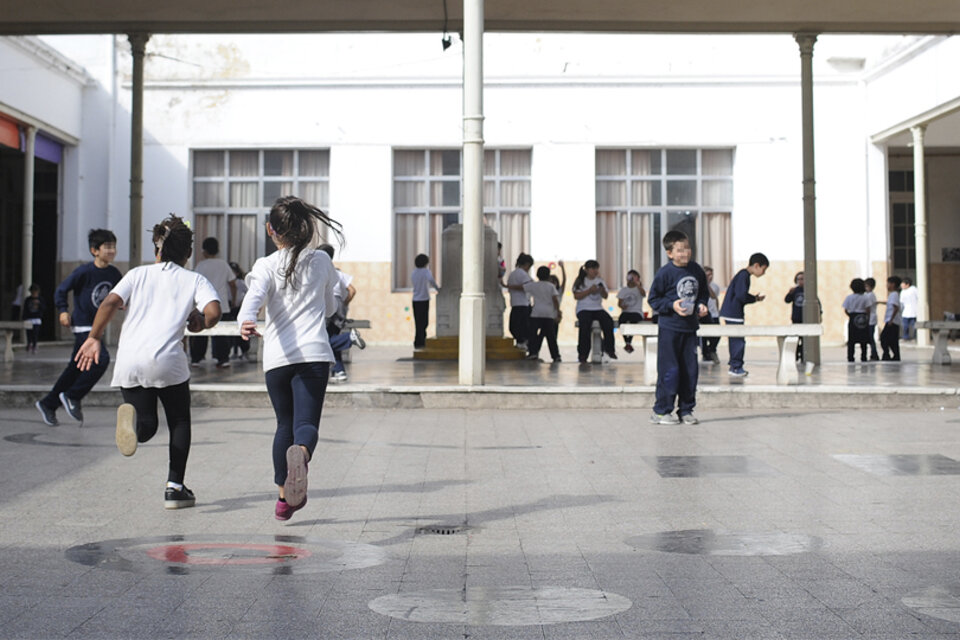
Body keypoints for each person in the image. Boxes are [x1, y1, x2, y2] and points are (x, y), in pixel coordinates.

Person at [74, 214, 221, 509]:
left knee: (146, 424)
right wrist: (199, 323)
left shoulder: (136, 274)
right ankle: (174, 488)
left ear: (156, 249)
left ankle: (136, 427)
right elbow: (214, 311)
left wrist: (93, 338)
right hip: (168, 361)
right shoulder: (194, 279)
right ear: (188, 253)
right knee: (179, 420)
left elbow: (109, 303)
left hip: (130, 360)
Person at [237, 196, 343, 521]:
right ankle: (303, 454)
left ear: (271, 230)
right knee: (305, 424)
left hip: (277, 357)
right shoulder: (322, 262)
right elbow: (330, 308)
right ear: (307, 228)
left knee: (283, 423)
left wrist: (247, 319)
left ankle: (284, 498)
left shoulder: (264, 265)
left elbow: (253, 297)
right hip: (314, 355)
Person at [35, 229, 122, 427]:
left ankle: (48, 404)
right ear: (94, 250)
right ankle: (73, 396)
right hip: (83, 326)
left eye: (113, 247)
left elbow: (120, 295)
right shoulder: (84, 272)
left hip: (97, 326)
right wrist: (63, 311)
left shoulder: (114, 273)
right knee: (101, 361)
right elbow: (61, 290)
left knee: (75, 368)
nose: (111, 251)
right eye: (107, 247)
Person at [647, 230, 709, 425]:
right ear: (670, 253)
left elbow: (703, 294)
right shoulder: (664, 273)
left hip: (690, 329)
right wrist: (671, 305)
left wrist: (701, 305)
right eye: (680, 250)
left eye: (688, 248)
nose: (685, 253)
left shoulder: (697, 270)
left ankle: (686, 410)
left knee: (690, 371)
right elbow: (654, 299)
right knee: (670, 370)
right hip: (670, 329)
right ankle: (661, 411)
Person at [719, 252, 768, 377]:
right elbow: (741, 295)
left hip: (731, 312)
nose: (764, 273)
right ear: (756, 265)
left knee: (736, 340)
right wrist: (754, 299)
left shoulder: (743, 275)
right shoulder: (744, 275)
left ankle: (735, 365)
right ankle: (736, 366)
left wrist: (754, 298)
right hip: (733, 313)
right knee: (738, 340)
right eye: (764, 269)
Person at [190, 237, 236, 368]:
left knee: (200, 333)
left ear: (204, 251)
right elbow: (232, 283)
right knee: (222, 334)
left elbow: (194, 286)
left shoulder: (200, 265)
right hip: (222, 305)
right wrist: (233, 299)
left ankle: (196, 358)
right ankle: (223, 359)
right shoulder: (223, 264)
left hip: (203, 305)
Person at [319, 244, 358, 383]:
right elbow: (352, 290)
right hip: (339, 305)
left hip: (326, 305)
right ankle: (339, 370)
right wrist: (345, 303)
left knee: (324, 341)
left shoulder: (321, 270)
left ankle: (349, 338)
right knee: (332, 337)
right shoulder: (337, 272)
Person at [573, 259, 616, 364]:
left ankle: (609, 349)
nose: (595, 271)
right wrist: (589, 291)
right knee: (585, 325)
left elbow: (605, 296)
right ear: (587, 270)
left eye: (596, 268)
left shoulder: (600, 281)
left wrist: (601, 291)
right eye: (593, 268)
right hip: (584, 308)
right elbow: (576, 296)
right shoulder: (581, 281)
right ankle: (583, 353)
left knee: (608, 322)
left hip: (597, 308)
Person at [523, 265, 561, 362]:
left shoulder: (533, 285)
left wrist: (506, 285)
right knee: (551, 336)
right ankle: (555, 356)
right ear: (548, 276)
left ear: (537, 275)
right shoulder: (551, 286)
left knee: (533, 335)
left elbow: (521, 287)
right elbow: (555, 300)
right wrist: (558, 311)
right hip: (548, 314)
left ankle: (533, 353)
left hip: (536, 313)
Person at [506, 253, 534, 350]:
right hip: (523, 304)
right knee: (524, 326)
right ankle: (523, 342)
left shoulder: (512, 274)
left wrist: (511, 287)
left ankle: (521, 342)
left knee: (515, 326)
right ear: (526, 264)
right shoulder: (523, 274)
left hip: (515, 303)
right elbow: (528, 287)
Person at [411, 253, 440, 349]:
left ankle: (418, 341)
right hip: (424, 299)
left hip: (415, 300)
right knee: (424, 321)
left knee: (418, 321)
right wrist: (438, 289)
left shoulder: (414, 272)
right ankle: (421, 340)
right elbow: (431, 281)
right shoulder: (426, 272)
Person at [617, 269, 646, 354]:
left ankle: (629, 342)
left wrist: (637, 284)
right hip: (626, 312)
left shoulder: (639, 289)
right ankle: (627, 342)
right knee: (622, 320)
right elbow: (619, 303)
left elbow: (643, 294)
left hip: (636, 312)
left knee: (633, 320)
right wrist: (623, 306)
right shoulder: (623, 290)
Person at [843, 278, 871, 362]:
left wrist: (850, 316)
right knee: (864, 340)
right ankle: (864, 356)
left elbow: (845, 309)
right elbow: (868, 309)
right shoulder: (865, 297)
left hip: (853, 317)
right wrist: (867, 318)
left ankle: (850, 357)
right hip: (863, 317)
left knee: (852, 339)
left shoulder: (849, 297)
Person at [228, 262, 251, 361]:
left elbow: (247, 292)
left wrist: (242, 302)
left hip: (238, 308)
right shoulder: (227, 283)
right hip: (231, 307)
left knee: (241, 330)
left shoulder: (240, 282)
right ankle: (234, 351)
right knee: (232, 331)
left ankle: (243, 351)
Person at [700, 266, 721, 364]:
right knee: (704, 335)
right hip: (704, 313)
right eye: (707, 275)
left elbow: (713, 296)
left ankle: (711, 350)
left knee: (717, 334)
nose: (710, 277)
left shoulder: (714, 286)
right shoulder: (699, 285)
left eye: (711, 275)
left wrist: (706, 284)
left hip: (714, 313)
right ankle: (705, 354)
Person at [879, 275, 902, 361]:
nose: (887, 285)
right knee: (892, 340)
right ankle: (894, 355)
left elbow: (896, 307)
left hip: (892, 321)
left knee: (884, 338)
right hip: (891, 320)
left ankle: (887, 354)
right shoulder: (893, 295)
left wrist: (891, 319)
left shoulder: (894, 295)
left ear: (893, 284)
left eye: (888, 283)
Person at [784, 271, 805, 361]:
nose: (800, 281)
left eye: (802, 279)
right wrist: (790, 293)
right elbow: (787, 300)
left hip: (805, 319)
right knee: (795, 339)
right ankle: (796, 356)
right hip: (796, 318)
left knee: (805, 340)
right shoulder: (795, 291)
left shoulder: (809, 290)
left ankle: (804, 356)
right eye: (798, 279)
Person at [22, 284, 45, 353]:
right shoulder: (28, 300)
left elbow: (44, 308)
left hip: (37, 319)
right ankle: (29, 344)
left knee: (35, 333)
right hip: (29, 318)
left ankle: (34, 345)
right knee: (29, 333)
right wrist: (24, 317)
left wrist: (39, 304)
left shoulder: (40, 299)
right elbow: (25, 309)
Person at [863, 277, 881, 361]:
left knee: (870, 338)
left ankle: (874, 354)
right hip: (869, 319)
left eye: (867, 286)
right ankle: (873, 354)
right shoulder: (867, 295)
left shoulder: (870, 295)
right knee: (869, 338)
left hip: (871, 319)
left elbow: (868, 307)